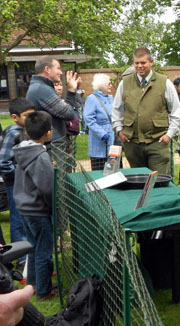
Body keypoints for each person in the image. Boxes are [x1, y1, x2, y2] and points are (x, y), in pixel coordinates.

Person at [112, 47, 180, 175]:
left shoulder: (164, 82)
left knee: (159, 183)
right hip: (133, 143)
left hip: (158, 141)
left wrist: (169, 135)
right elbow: (117, 109)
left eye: (143, 63)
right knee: (139, 182)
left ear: (151, 62)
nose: (140, 66)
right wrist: (119, 130)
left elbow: (176, 111)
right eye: (136, 63)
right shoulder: (125, 83)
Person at [13, 111, 57, 301]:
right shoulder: (40, 156)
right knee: (43, 251)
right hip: (38, 211)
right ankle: (44, 290)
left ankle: (33, 283)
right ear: (48, 133)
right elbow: (47, 188)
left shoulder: (23, 150)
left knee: (33, 247)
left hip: (24, 208)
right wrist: (53, 206)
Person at [0, 98, 34, 269]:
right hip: (14, 184)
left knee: (24, 217)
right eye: (27, 115)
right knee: (18, 219)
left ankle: (26, 255)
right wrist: (18, 176)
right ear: (14, 117)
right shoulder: (14, 133)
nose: (31, 118)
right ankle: (20, 258)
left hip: (23, 184)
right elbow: (4, 161)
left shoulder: (25, 130)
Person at [26, 56, 78, 154]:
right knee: (56, 170)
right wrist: (71, 91)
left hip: (50, 143)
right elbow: (69, 114)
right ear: (47, 69)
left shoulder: (41, 87)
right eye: (58, 68)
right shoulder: (42, 89)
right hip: (51, 146)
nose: (61, 72)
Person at [84, 73, 115, 170]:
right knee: (100, 172)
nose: (111, 85)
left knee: (114, 170)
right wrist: (102, 133)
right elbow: (89, 119)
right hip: (100, 141)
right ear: (101, 85)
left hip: (113, 140)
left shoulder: (111, 98)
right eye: (108, 84)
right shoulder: (92, 99)